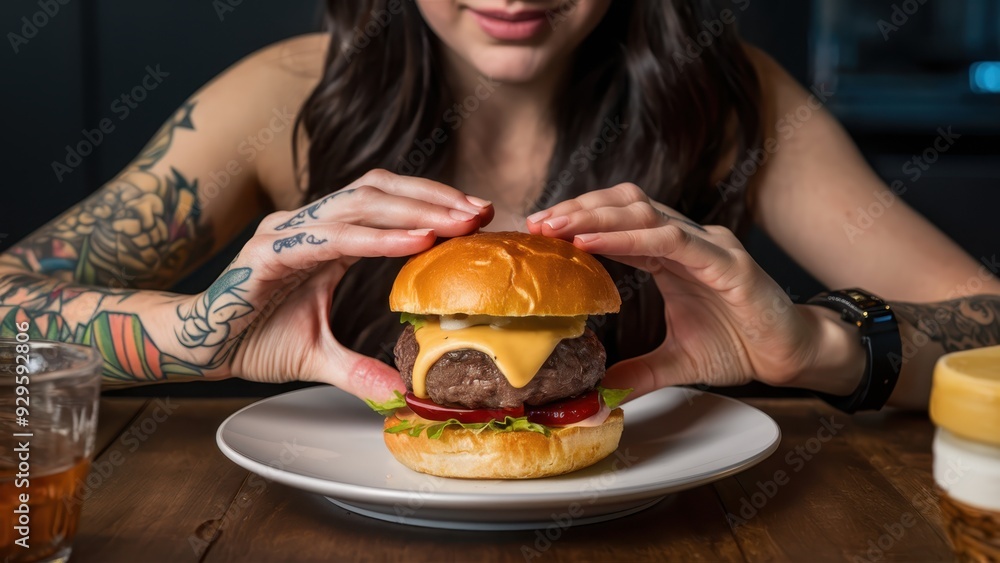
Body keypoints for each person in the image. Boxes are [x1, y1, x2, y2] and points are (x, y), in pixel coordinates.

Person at [1, 1, 997, 411]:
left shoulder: (730, 99)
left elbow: (989, 326)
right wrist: (202, 333)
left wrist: (814, 348)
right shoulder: (281, 101)